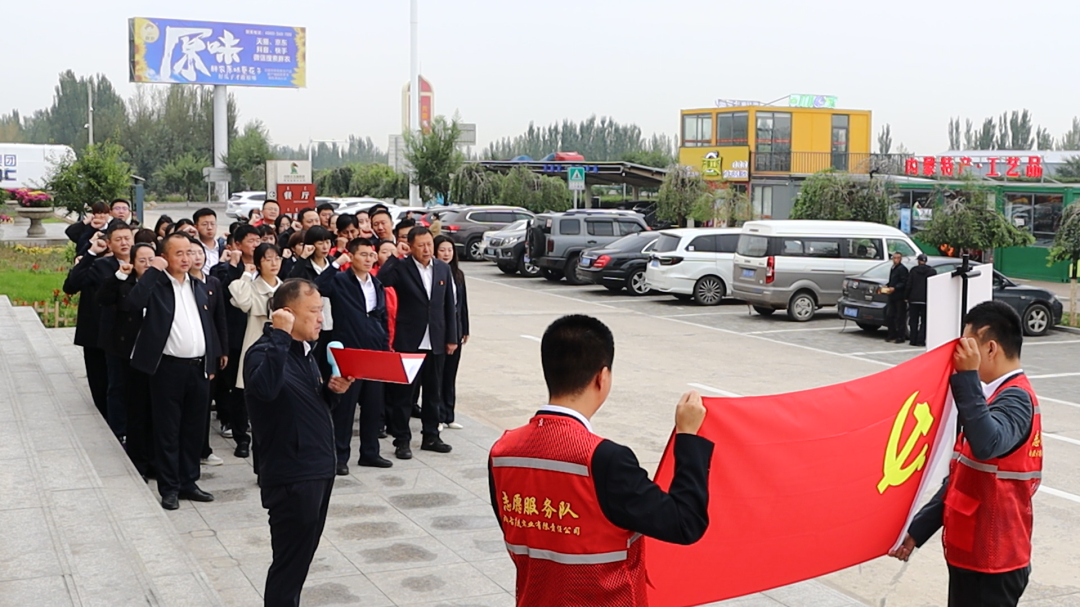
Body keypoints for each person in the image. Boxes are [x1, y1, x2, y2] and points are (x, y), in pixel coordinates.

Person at [488, 315, 713, 605]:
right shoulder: (605, 460)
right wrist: (688, 437)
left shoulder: (502, 452)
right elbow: (685, 523)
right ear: (601, 377)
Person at [890, 301, 1041, 607]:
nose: (961, 355)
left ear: (990, 348)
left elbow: (987, 445)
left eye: (968, 344)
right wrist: (919, 529)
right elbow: (960, 476)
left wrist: (967, 378)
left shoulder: (1017, 399)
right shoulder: (991, 397)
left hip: (994, 562)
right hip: (970, 554)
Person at [244, 279, 354, 607]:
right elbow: (264, 391)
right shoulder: (263, 352)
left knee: (299, 563)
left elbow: (303, 406)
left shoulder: (305, 354)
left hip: (317, 470)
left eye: (322, 310)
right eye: (315, 311)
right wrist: (278, 335)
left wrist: (331, 393)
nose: (321, 318)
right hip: (293, 477)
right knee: (288, 566)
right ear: (288, 314)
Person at [125, 233, 217, 510]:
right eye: (179, 253)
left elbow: (208, 327)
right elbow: (132, 304)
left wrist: (212, 361)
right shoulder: (156, 286)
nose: (186, 258)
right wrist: (153, 270)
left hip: (198, 368)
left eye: (189, 252)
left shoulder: (199, 286)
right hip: (168, 369)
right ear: (165, 257)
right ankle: (170, 488)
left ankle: (189, 481)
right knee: (167, 430)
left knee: (193, 429)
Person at [375, 227, 458, 458]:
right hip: (409, 339)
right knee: (405, 395)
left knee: (434, 392)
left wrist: (452, 337)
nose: (426, 249)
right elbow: (380, 281)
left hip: (437, 339)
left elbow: (449, 305)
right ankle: (402, 440)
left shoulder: (442, 268)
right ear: (411, 246)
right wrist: (394, 256)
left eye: (429, 244)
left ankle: (431, 435)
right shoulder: (402, 267)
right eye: (421, 245)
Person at [316, 238, 392, 472]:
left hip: (374, 350)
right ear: (351, 256)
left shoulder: (376, 284)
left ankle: (370, 453)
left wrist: (385, 344)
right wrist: (336, 263)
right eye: (363, 255)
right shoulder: (340, 280)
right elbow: (317, 286)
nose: (369, 259)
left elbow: (381, 315)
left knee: (373, 404)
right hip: (349, 350)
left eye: (371, 255)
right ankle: (339, 457)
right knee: (346, 406)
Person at [64, 219, 133, 436]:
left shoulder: (141, 261)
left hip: (132, 334)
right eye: (118, 239)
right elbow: (71, 284)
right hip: (102, 332)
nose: (124, 243)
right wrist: (92, 252)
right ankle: (113, 428)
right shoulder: (101, 265)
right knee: (107, 384)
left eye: (127, 238)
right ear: (109, 243)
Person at [97, 242, 157, 478]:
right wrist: (117, 277)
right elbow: (102, 298)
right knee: (129, 400)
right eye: (142, 261)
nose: (147, 265)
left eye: (151, 260)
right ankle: (131, 450)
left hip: (153, 353)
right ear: (132, 262)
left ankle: (153, 460)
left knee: (151, 407)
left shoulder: (162, 283)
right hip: (125, 350)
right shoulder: (124, 282)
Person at [211, 224, 262, 447]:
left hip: (258, 333)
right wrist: (235, 266)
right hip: (234, 333)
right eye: (251, 241)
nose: (255, 245)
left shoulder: (265, 267)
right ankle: (232, 424)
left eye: (258, 240)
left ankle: (249, 421)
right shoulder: (223, 269)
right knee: (232, 382)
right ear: (237, 244)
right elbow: (224, 292)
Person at [188, 240, 230, 464]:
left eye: (200, 253)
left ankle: (204, 449)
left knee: (206, 401)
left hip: (211, 347)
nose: (196, 257)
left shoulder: (212, 282)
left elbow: (220, 318)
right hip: (192, 349)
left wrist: (222, 349)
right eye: (191, 253)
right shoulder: (185, 284)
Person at [434, 235, 468, 430]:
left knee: (450, 375)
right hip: (440, 330)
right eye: (442, 250)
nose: (446, 254)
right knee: (438, 374)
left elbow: (462, 305)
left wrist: (465, 328)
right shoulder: (435, 274)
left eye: (449, 250)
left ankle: (449, 415)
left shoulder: (458, 274)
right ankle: (437, 416)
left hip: (456, 329)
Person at [906, 253, 935, 347]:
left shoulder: (913, 271)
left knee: (913, 320)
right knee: (924, 321)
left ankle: (913, 340)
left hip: (914, 299)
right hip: (926, 299)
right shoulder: (932, 271)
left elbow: (909, 284)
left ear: (918, 261)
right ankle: (921, 340)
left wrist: (906, 296)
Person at [882, 251, 909, 344]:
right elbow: (892, 280)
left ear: (900, 259)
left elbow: (904, 282)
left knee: (900, 316)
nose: (896, 259)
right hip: (892, 295)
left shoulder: (902, 269)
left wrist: (895, 287)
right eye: (894, 258)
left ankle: (900, 336)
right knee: (890, 315)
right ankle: (891, 334)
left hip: (899, 296)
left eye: (898, 258)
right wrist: (887, 286)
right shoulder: (893, 268)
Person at [193, 207, 225, 274]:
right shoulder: (192, 249)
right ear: (196, 227)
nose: (209, 228)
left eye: (212, 224)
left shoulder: (224, 249)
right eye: (205, 224)